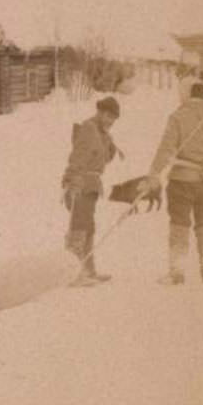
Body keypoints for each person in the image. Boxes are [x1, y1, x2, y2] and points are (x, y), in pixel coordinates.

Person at [144, 80, 203, 284]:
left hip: (181, 179)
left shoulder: (178, 116)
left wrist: (153, 173)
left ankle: (177, 271)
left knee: (179, 223)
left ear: (186, 94)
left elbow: (166, 148)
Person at [61, 96, 123, 287]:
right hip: (81, 184)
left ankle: (89, 271)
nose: (111, 121)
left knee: (88, 228)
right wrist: (73, 180)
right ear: (100, 112)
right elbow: (77, 157)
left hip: (92, 185)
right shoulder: (88, 129)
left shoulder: (100, 132)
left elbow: (101, 159)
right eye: (109, 116)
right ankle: (74, 273)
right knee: (79, 227)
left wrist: (110, 145)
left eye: (114, 118)